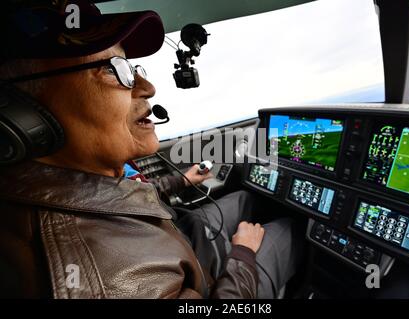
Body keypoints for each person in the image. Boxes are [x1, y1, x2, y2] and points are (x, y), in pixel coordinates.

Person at [0, 0, 300, 298]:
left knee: (245, 198)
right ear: (25, 115)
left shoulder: (76, 181)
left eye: (133, 68)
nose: (148, 87)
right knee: (289, 229)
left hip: (178, 244)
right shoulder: (110, 281)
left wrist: (183, 180)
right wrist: (243, 255)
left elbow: (112, 199)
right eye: (113, 70)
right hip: (199, 278)